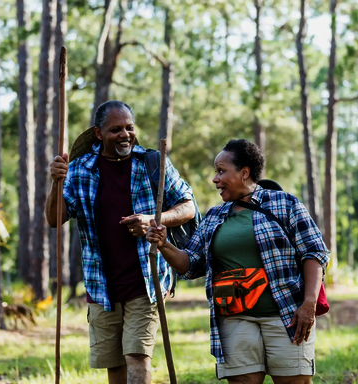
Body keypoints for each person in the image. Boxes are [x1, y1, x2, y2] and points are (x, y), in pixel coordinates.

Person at [146, 139, 329, 384]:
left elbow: (314, 252)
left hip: (287, 316)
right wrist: (164, 244)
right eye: (215, 172)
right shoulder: (213, 217)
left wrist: (308, 304)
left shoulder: (284, 203)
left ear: (244, 173)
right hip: (234, 318)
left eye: (221, 171)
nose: (215, 179)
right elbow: (190, 264)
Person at [46, 100, 196, 384]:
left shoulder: (153, 163)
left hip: (146, 280)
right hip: (101, 284)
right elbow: (55, 219)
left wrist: (154, 220)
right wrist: (56, 182)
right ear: (99, 133)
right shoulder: (80, 169)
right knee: (114, 366)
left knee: (137, 357)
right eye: (116, 129)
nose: (125, 134)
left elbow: (188, 207)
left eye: (129, 127)